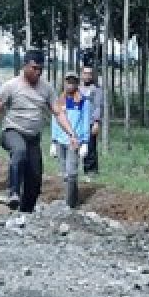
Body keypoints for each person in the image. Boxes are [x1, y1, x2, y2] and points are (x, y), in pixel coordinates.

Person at [0, 50, 80, 213]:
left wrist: (71, 134)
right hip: (11, 132)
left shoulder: (46, 88)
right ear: (25, 66)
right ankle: (13, 192)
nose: (37, 72)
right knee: (19, 151)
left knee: (35, 178)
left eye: (40, 69)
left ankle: (25, 213)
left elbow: (58, 112)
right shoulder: (11, 86)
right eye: (34, 68)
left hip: (33, 138)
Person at [51, 72, 93, 206]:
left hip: (74, 141)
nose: (70, 85)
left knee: (72, 172)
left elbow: (85, 121)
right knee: (64, 173)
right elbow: (55, 120)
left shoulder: (82, 101)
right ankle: (70, 199)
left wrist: (85, 142)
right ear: (64, 83)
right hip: (60, 141)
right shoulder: (59, 100)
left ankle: (70, 203)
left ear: (77, 84)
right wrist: (53, 141)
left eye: (73, 82)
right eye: (68, 82)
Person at [79, 66, 103, 174]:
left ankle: (91, 171)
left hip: (90, 122)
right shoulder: (77, 88)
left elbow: (98, 106)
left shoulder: (96, 89)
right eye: (85, 73)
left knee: (90, 147)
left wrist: (96, 122)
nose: (87, 76)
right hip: (78, 122)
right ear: (81, 74)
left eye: (89, 73)